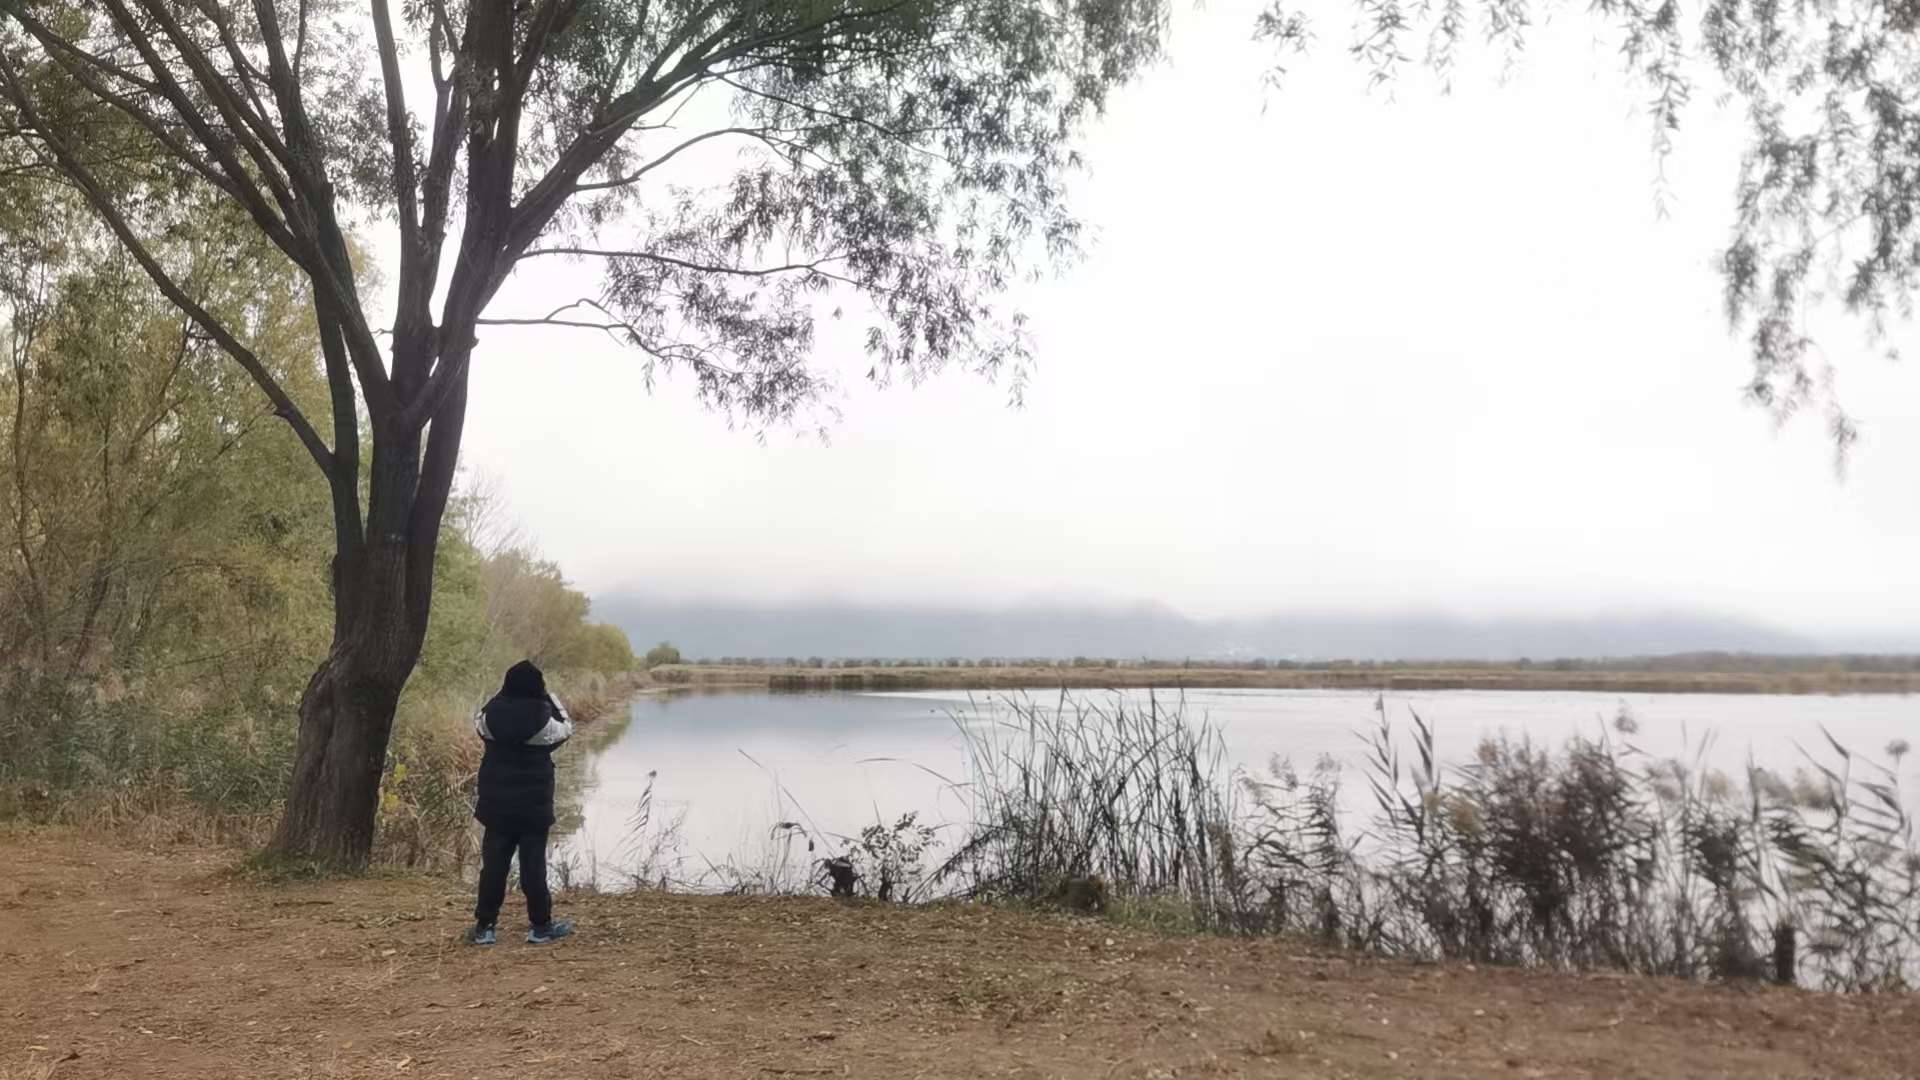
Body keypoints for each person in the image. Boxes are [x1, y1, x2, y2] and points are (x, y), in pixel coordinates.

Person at [466, 659, 574, 945]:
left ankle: (484, 927)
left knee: (493, 867)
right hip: (533, 809)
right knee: (533, 867)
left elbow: (480, 716)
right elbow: (566, 728)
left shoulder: (489, 719)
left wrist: (500, 696)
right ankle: (540, 927)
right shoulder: (545, 722)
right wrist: (549, 697)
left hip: (496, 807)